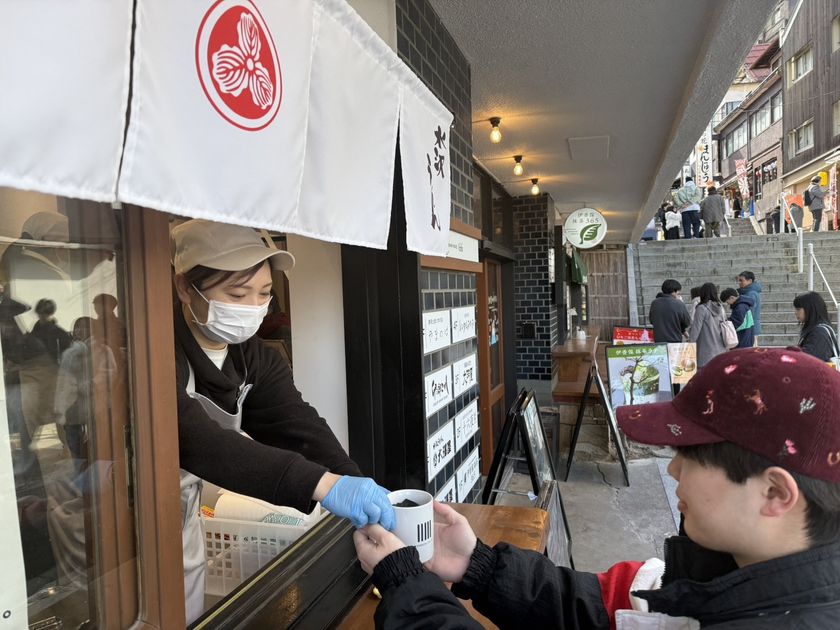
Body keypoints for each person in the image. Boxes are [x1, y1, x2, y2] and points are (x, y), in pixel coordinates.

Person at [354, 348, 840, 628]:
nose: (673, 474)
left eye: (689, 457)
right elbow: (604, 611)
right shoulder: (721, 580)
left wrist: (405, 586)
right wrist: (476, 566)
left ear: (775, 494)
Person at [170, 219, 395, 623]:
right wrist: (323, 485)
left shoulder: (252, 357)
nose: (253, 308)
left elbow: (298, 426)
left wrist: (351, 481)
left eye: (264, 294)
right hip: (122, 517)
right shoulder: (157, 350)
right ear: (185, 287)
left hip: (182, 517)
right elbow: (194, 440)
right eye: (237, 293)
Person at [688, 282, 726, 368]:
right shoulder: (720, 307)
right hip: (720, 347)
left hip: (705, 349)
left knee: (704, 375)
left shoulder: (702, 308)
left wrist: (690, 343)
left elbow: (696, 329)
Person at [794, 291, 838, 362]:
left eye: (798, 309)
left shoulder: (819, 333)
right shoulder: (818, 329)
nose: (795, 312)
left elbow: (809, 361)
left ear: (810, 309)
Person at [737, 271, 762, 345]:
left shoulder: (751, 294)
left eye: (742, 280)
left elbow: (749, 312)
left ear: (750, 281)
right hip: (751, 328)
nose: (739, 282)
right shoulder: (749, 292)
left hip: (750, 329)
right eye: (739, 280)